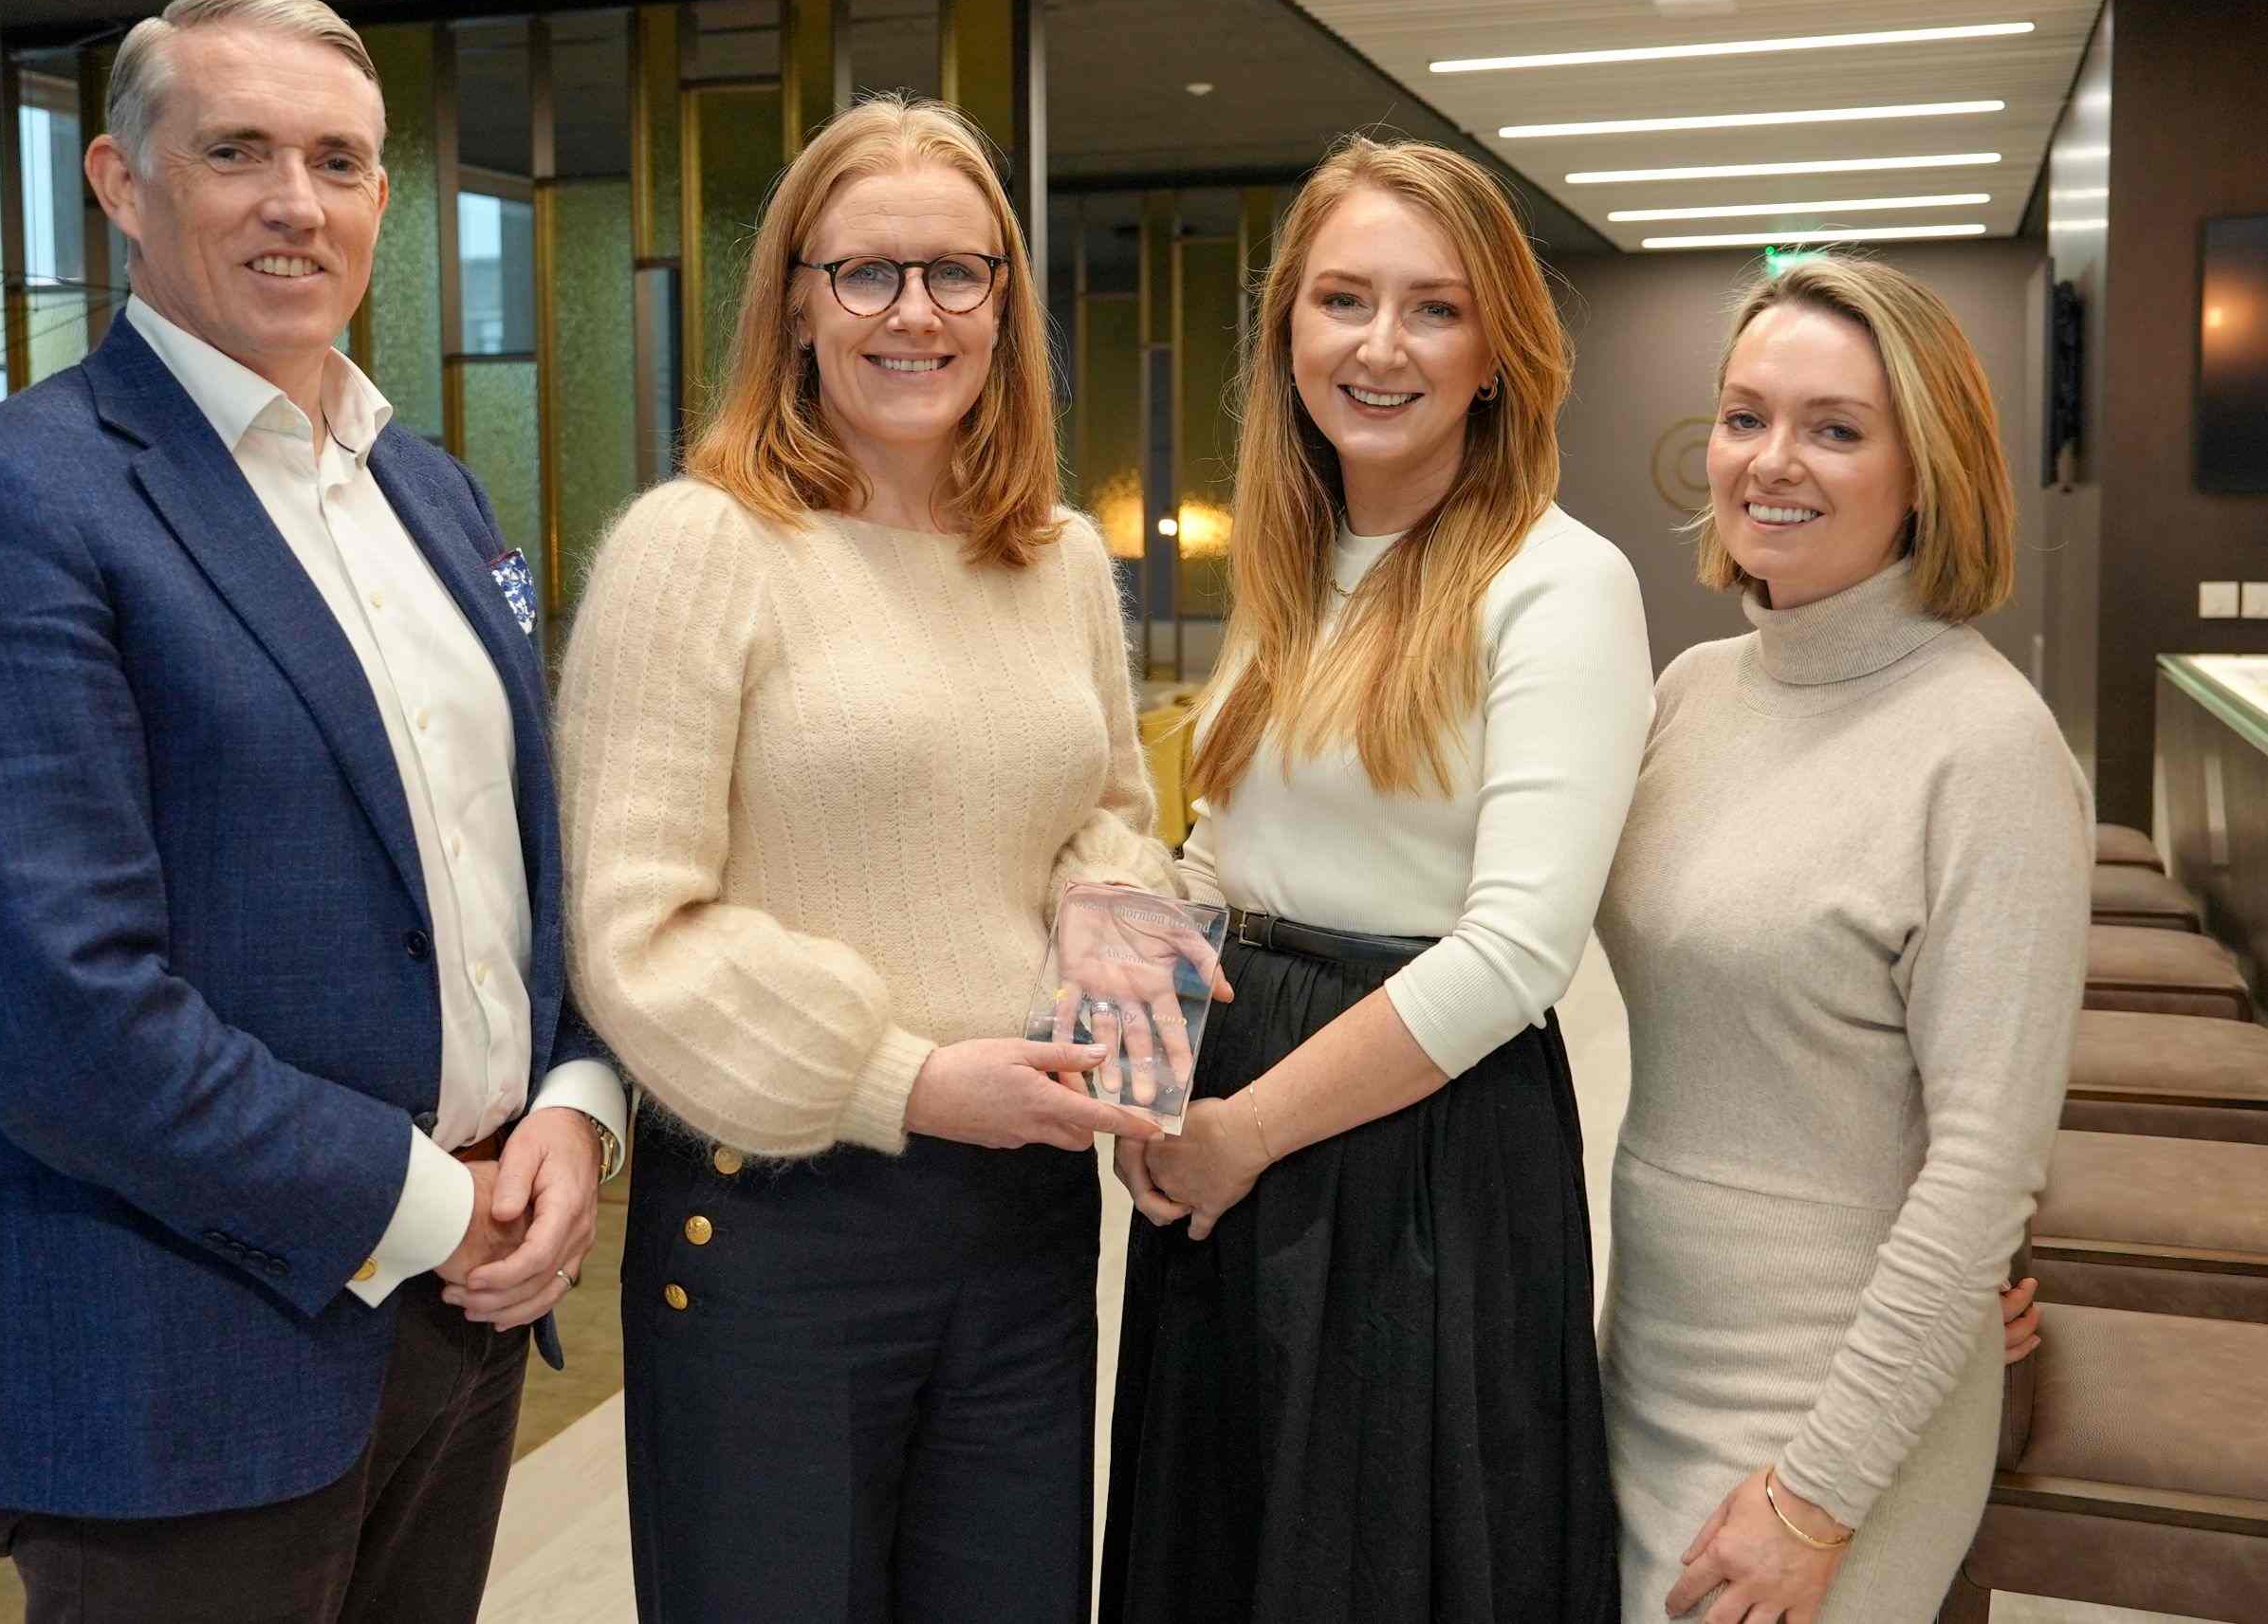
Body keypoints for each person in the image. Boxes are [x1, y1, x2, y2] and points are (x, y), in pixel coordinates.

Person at [0, 0, 625, 1622]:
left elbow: (515, 872)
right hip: (183, 1354)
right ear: (122, 184)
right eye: (237, 152)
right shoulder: (6, 496)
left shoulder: (432, 489)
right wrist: (433, 1203)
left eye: (338, 162)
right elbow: (66, 1014)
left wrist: (573, 1100)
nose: (298, 202)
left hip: (465, 1315)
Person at [557, 96, 1188, 1623]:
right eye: (866, 273)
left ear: (1003, 302)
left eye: (957, 272)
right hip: (788, 1226)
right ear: (794, 302)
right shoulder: (698, 547)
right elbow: (634, 931)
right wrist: (905, 1079)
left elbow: (1108, 811)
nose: (916, 312)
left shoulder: (1051, 556)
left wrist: (1105, 903)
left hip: (1026, 1217)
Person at [1099, 136, 1645, 1623]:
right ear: (1288, 327)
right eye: (1342, 299)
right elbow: (1217, 853)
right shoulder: (1296, 561)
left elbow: (1514, 954)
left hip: (1412, 1152)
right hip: (1231, 1120)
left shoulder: (1559, 582)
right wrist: (1144, 1093)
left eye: (1433, 308)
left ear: (1496, 354)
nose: (1379, 346)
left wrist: (1242, 1132)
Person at [1592, 255, 2091, 1622]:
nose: (1772, 461)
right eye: (1743, 416)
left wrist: (1818, 1494)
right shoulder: (1693, 693)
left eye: (1835, 428)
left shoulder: (1988, 748)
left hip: (1834, 1405)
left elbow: (1983, 1165)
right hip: (1646, 1342)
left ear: (1924, 470)